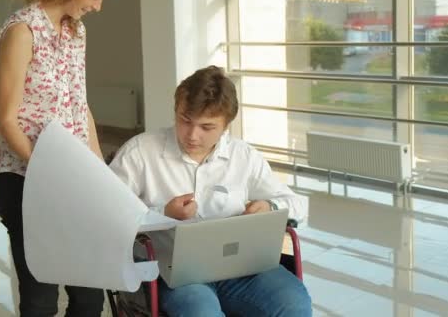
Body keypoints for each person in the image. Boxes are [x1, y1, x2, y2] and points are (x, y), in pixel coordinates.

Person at [109, 65, 312, 316]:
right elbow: (108, 215)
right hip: (176, 274)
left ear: (226, 125)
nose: (192, 135)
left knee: (293, 304)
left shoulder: (243, 156)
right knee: (201, 311)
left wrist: (269, 207)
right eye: (185, 121)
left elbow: (298, 205)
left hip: (242, 267)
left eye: (207, 127)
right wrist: (163, 213)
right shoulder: (140, 152)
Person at [0, 0, 123, 315]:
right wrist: (47, 172)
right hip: (26, 180)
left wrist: (101, 172)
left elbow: (80, 106)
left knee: (89, 298)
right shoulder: (22, 31)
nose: (98, 6)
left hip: (71, 179)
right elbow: (7, 120)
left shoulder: (76, 32)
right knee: (40, 300)